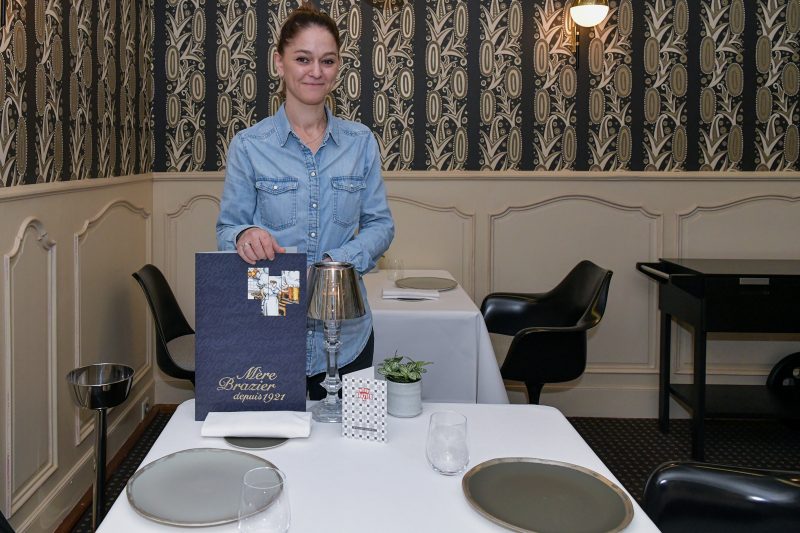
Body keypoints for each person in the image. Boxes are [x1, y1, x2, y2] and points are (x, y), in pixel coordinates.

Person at [216, 3, 394, 399]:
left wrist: (338, 262)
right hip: (271, 327)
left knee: (347, 455)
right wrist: (245, 235)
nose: (316, 71)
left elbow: (381, 225)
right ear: (279, 63)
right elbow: (227, 230)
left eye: (327, 61)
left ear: (337, 67)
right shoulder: (249, 146)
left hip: (346, 332)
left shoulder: (360, 142)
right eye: (303, 59)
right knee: (276, 450)